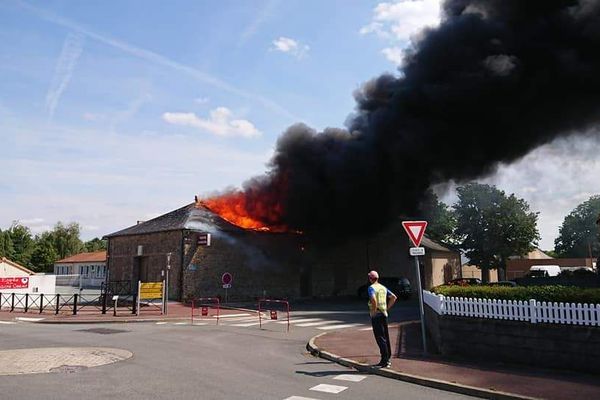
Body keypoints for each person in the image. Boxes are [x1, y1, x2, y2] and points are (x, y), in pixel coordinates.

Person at [367, 270, 397, 368]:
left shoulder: (371, 288)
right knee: (385, 337)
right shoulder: (383, 287)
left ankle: (384, 360)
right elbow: (393, 297)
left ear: (371, 279)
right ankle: (387, 358)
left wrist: (374, 311)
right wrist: (387, 308)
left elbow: (373, 299)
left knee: (380, 337)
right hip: (384, 313)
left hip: (377, 314)